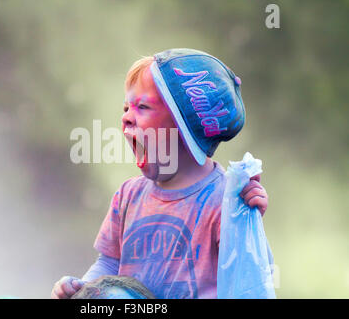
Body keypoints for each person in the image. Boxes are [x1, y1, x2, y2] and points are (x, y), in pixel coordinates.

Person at [51, 48, 269, 299]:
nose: (126, 119)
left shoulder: (225, 201)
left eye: (142, 107)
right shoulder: (128, 195)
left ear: (184, 128)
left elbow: (248, 280)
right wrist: (81, 289)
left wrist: (243, 220)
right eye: (125, 108)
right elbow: (109, 265)